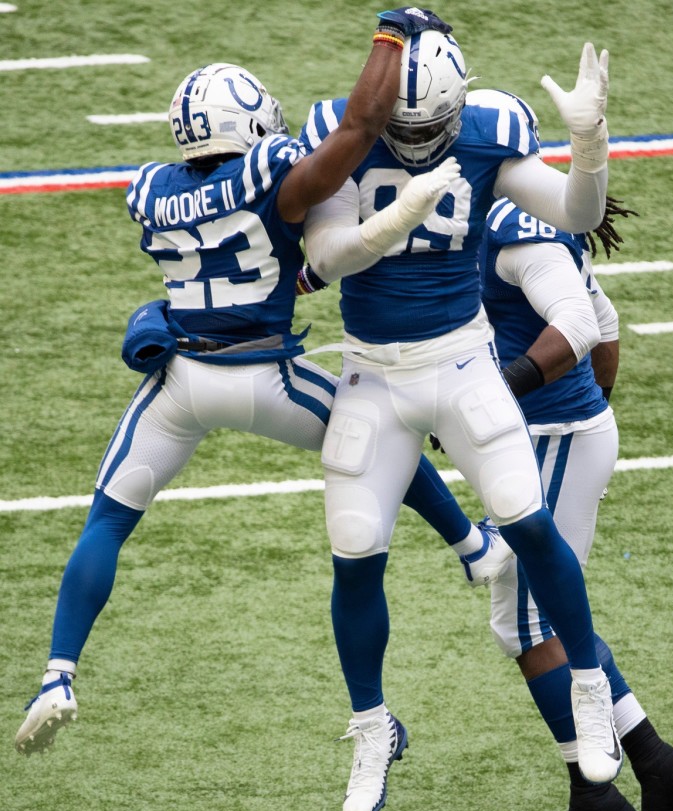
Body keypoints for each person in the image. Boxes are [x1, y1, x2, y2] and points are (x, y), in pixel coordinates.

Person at [14, 9, 485, 755]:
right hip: (267, 374)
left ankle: (58, 671)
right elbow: (358, 129)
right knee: (383, 427)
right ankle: (473, 549)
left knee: (107, 517)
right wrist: (391, 37)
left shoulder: (151, 190)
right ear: (249, 122)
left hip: (178, 383)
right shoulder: (270, 173)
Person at [297, 22, 632, 811]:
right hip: (372, 371)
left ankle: (589, 685)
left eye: (431, 129)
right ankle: (373, 726)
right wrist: (389, 222)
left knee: (525, 516)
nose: (416, 145)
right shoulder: (343, 132)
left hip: (460, 363)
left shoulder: (487, 130)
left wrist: (589, 145)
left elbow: (576, 214)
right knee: (353, 548)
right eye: (400, 130)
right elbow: (326, 253)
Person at [478, 196, 673, 811]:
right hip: (555, 436)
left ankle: (598, 793)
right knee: (542, 619)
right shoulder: (505, 215)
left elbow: (583, 327)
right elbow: (607, 329)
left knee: (527, 626)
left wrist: (535, 402)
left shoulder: (507, 228)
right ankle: (652, 763)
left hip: (551, 437)